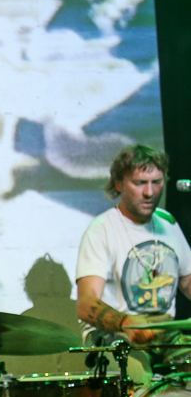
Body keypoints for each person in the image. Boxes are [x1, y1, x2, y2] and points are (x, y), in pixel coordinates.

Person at [76, 144, 191, 381]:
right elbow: (86, 304)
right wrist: (125, 322)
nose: (149, 192)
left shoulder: (168, 224)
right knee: (137, 383)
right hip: (115, 333)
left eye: (156, 182)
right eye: (140, 183)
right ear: (119, 184)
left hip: (165, 332)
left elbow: (188, 281)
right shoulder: (101, 230)